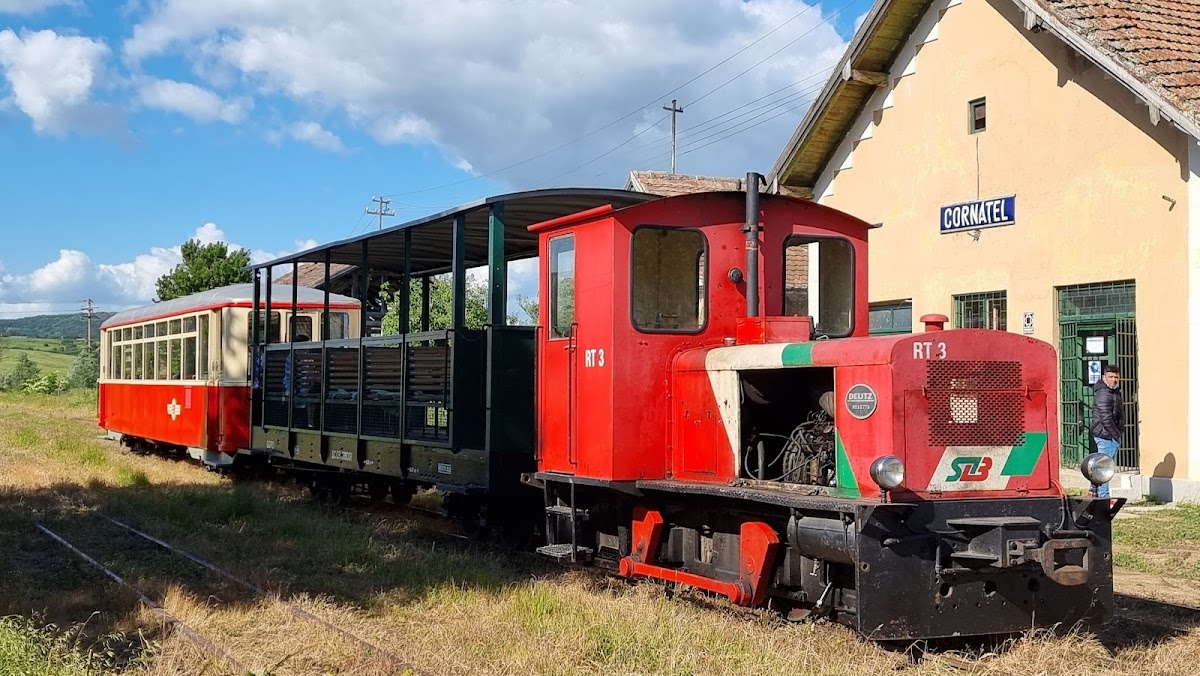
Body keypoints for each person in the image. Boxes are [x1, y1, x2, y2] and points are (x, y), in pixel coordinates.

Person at [1090, 364, 1124, 498]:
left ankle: (1094, 492)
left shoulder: (1112, 391)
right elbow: (1106, 417)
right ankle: (1103, 497)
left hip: (1107, 434)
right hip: (1106, 435)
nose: (1113, 380)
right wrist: (1116, 435)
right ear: (1104, 377)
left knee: (1100, 466)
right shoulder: (1104, 393)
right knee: (1104, 469)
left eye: (1116, 377)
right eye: (1110, 377)